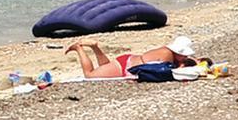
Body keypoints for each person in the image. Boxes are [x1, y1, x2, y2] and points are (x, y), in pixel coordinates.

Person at [66, 36, 198, 79]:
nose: (185, 57)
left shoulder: (166, 51)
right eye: (184, 55)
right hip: (126, 66)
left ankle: (95, 47)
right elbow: (163, 71)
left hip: (128, 61)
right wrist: (181, 66)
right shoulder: (167, 54)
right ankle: (79, 49)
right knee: (90, 75)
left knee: (104, 67)